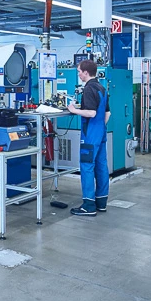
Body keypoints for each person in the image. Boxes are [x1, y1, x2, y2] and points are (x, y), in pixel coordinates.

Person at [66, 59, 111, 216]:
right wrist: (99, 127)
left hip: (90, 134)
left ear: (86, 72)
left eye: (79, 71)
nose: (78, 74)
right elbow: (107, 113)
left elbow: (91, 113)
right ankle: (101, 202)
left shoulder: (89, 88)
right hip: (101, 132)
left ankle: (88, 206)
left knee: (87, 166)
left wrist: (74, 110)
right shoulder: (101, 88)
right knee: (101, 166)